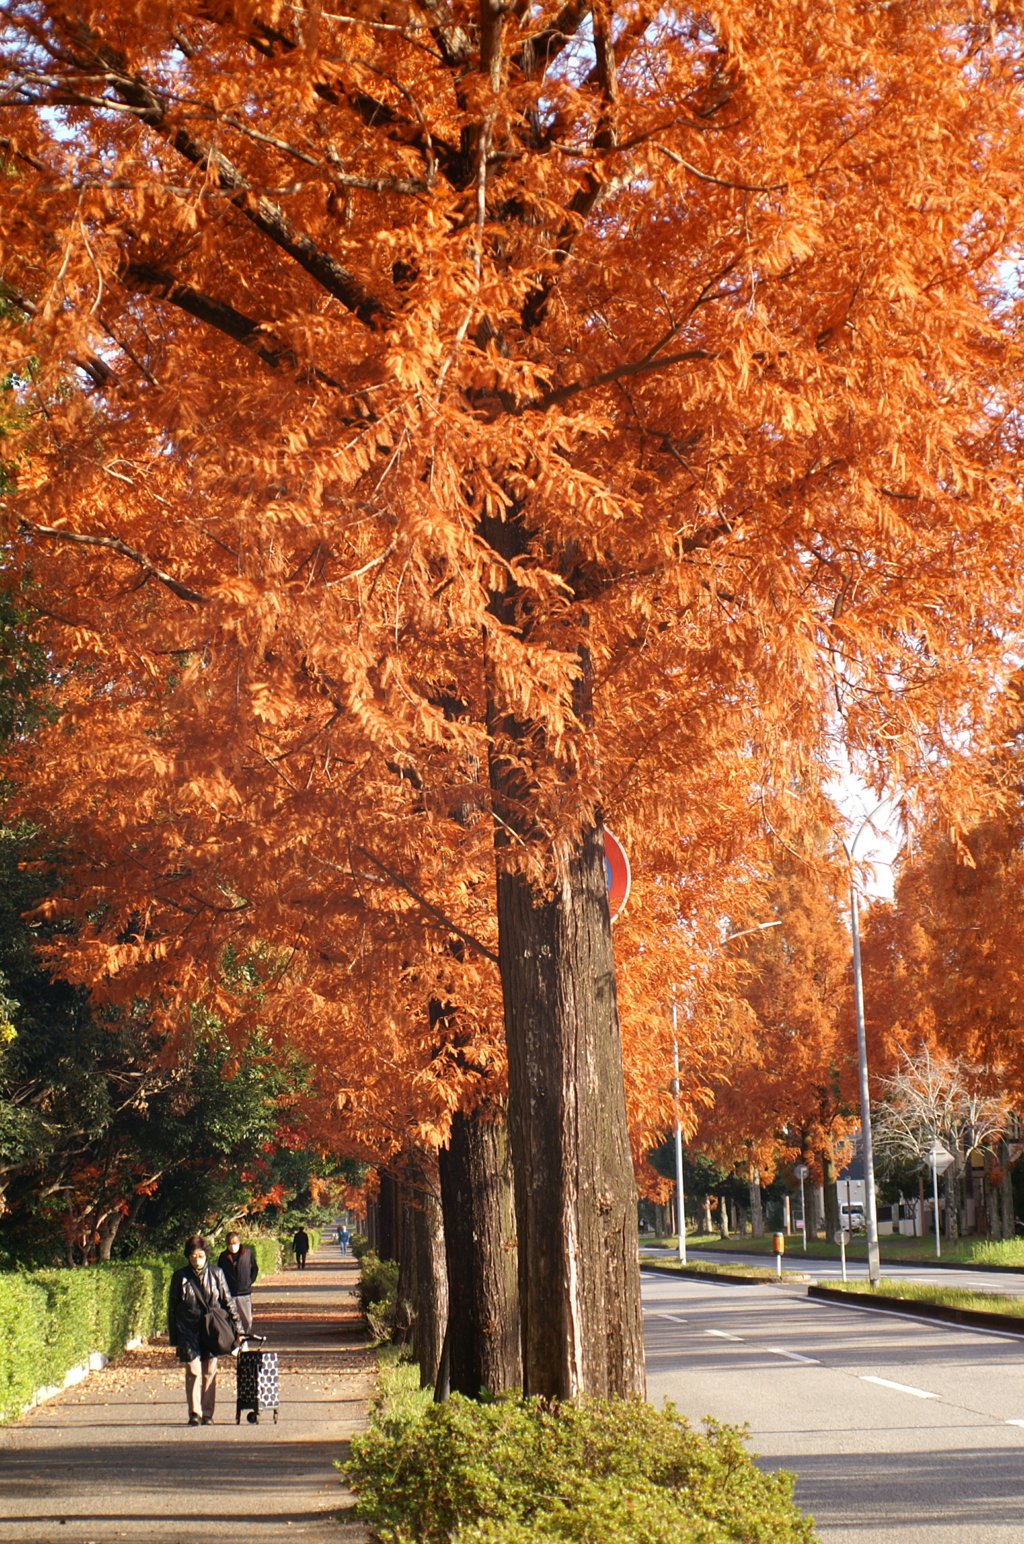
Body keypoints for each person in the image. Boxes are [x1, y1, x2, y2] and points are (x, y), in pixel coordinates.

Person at [168, 1234, 242, 1426]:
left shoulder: (216, 1273)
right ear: (187, 1256)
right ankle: (195, 1412)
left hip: (212, 1329)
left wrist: (238, 1330)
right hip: (188, 1330)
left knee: (210, 1371)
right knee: (193, 1371)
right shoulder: (180, 1276)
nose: (196, 1259)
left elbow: (228, 1302)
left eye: (200, 1255)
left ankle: (207, 1413)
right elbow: (172, 1307)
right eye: (193, 1255)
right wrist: (175, 1338)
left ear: (206, 1255)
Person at [217, 1232, 259, 1335]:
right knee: (231, 1320)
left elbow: (254, 1268)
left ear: (239, 1242)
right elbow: (219, 1273)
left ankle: (244, 1337)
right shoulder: (223, 1256)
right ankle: (237, 1341)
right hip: (229, 1294)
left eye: (234, 1242)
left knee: (247, 1320)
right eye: (229, 1243)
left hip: (244, 1293)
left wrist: (249, 1282)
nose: (232, 1245)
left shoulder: (247, 1253)